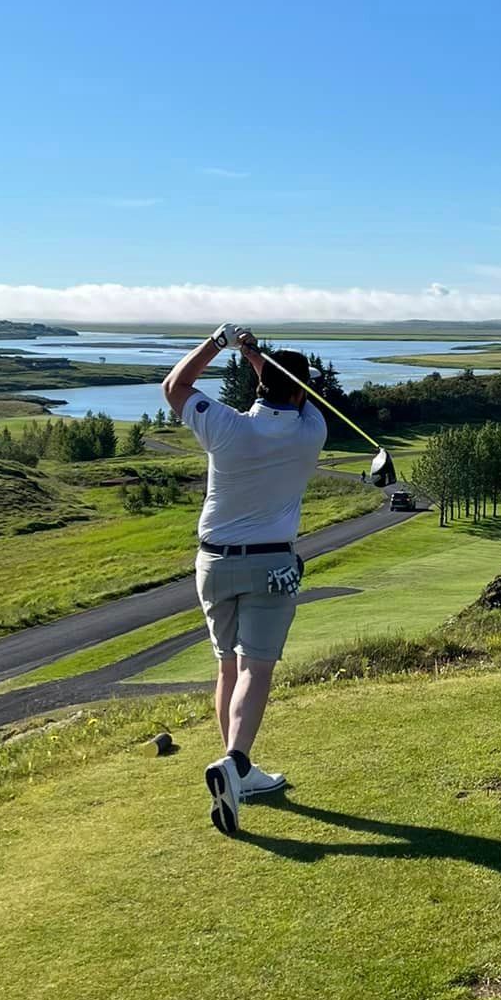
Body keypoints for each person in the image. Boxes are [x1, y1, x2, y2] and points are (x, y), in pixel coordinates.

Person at [163, 324, 326, 837]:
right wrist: (258, 356)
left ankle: (239, 771)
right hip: (271, 565)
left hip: (213, 564)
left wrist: (221, 344)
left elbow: (175, 386)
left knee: (227, 667)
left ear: (258, 384)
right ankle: (235, 763)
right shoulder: (311, 430)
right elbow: (289, 395)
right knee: (256, 668)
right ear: (301, 391)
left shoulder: (225, 426)